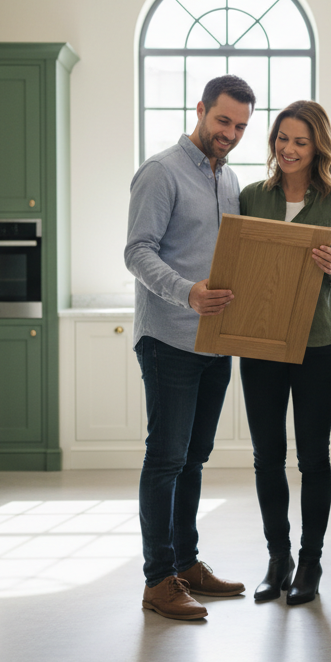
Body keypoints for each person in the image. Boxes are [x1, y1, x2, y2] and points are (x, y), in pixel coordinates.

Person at [124, 75, 257, 621]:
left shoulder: (230, 182)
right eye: (223, 120)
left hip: (215, 343)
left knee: (194, 460)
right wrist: (188, 293)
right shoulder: (161, 172)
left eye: (242, 127)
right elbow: (137, 251)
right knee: (166, 460)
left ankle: (186, 562)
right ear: (200, 110)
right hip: (169, 339)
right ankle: (159, 580)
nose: (230, 133)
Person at [237, 100, 331, 605]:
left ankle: (310, 563)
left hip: (319, 345)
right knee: (267, 458)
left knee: (313, 458)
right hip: (262, 344)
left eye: (300, 141)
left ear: (318, 148)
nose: (288, 149)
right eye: (282, 138)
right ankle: (278, 558)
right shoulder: (250, 197)